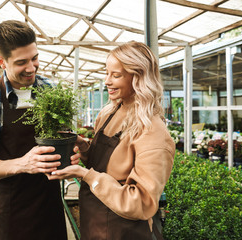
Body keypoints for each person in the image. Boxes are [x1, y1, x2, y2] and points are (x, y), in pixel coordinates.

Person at [48, 41, 175, 240]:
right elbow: (105, 166)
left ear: (138, 77)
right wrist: (84, 148)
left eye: (116, 75)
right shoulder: (110, 112)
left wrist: (86, 175)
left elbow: (142, 202)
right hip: (94, 223)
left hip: (123, 231)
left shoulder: (152, 131)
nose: (107, 81)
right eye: (107, 73)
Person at [0, 20, 73, 240]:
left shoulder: (50, 91)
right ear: (2, 61)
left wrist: (71, 153)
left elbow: (63, 138)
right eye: (22, 62)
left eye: (35, 58)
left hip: (48, 204)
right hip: (12, 210)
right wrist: (24, 163)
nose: (31, 68)